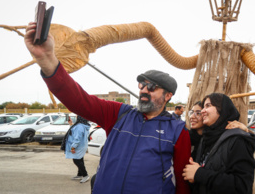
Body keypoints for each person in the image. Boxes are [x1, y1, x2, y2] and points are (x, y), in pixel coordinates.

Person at [24, 22, 191, 194]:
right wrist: (47, 58)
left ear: (168, 96)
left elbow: (181, 179)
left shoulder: (178, 130)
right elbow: (78, 99)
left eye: (152, 87)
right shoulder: (119, 114)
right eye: (141, 85)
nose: (143, 90)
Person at [182, 93, 255, 194]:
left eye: (208, 106)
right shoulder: (206, 139)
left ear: (222, 109)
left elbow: (242, 186)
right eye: (203, 106)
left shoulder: (237, 140)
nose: (203, 111)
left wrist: (199, 174)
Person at [63, 115, 91, 183]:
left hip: (78, 146)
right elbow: (74, 132)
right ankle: (80, 174)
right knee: (80, 159)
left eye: (77, 116)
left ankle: (85, 175)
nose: (76, 117)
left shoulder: (79, 126)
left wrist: (73, 147)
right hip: (81, 146)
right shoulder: (82, 125)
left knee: (76, 161)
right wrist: (70, 123)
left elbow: (77, 138)